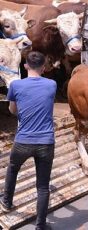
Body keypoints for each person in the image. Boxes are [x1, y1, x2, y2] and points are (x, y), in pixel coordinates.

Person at [0, 51, 57, 230]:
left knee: (13, 169)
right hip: (46, 142)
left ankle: (7, 201)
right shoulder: (52, 84)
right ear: (44, 68)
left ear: (25, 66)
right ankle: (40, 225)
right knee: (42, 186)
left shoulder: (16, 85)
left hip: (23, 140)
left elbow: (13, 110)